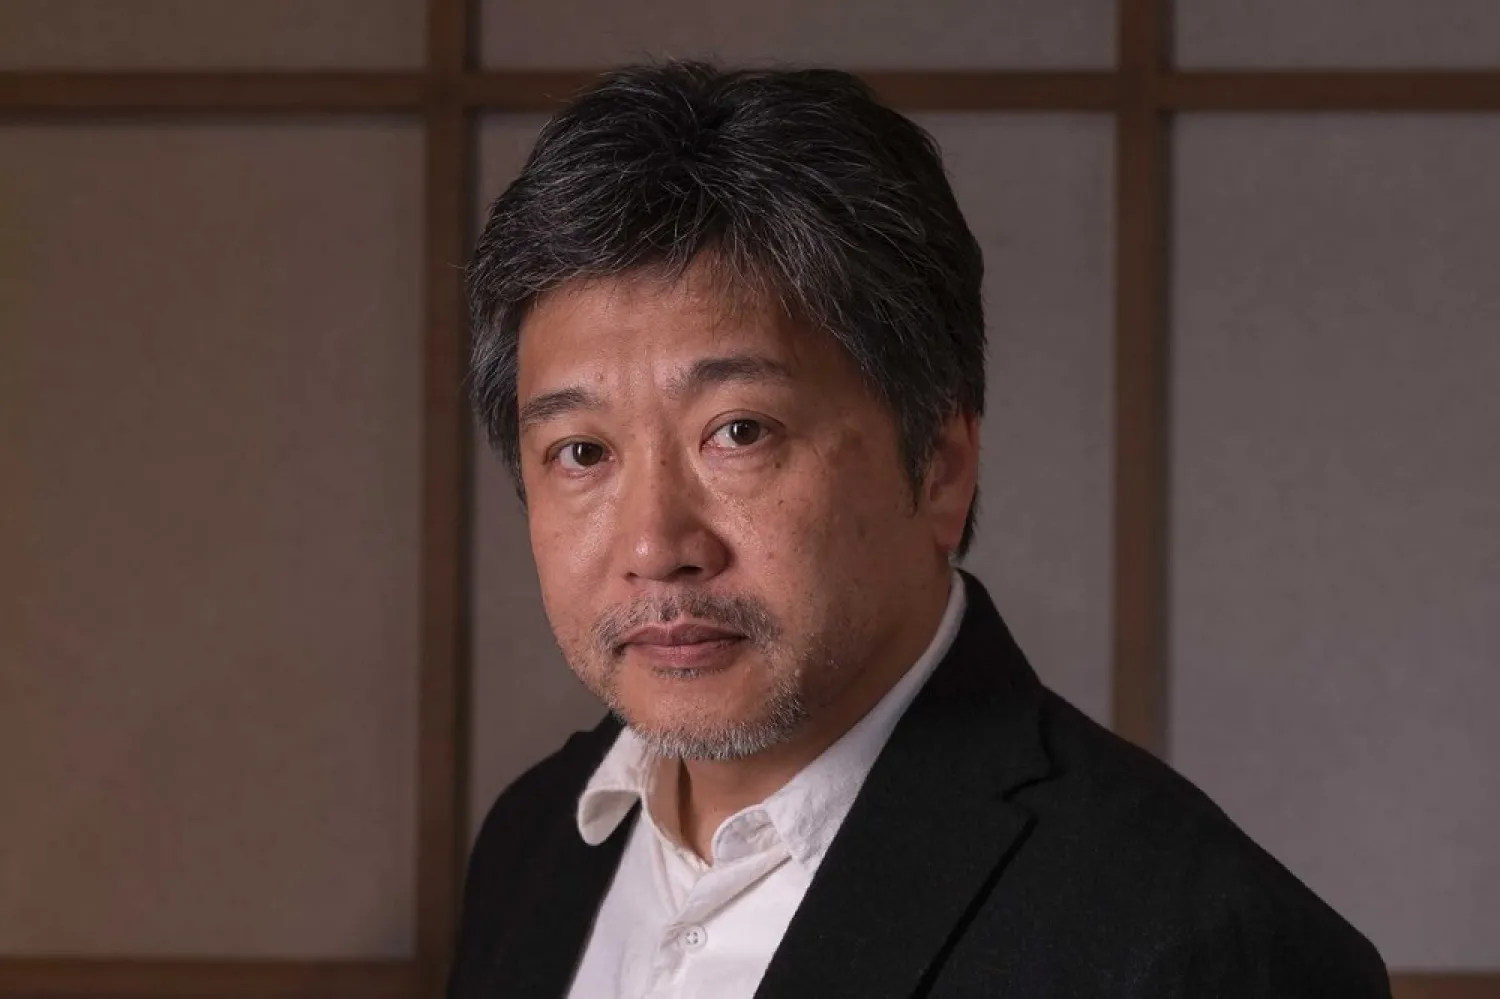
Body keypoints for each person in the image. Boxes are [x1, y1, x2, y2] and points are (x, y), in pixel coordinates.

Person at [450, 61, 1389, 999]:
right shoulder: (535, 840)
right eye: (580, 452)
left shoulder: (1202, 946)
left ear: (940, 464)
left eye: (738, 432)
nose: (655, 546)